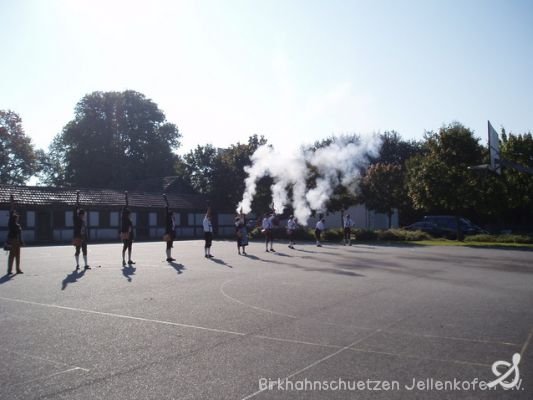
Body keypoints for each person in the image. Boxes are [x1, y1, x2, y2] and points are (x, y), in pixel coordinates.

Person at [6, 210, 23, 275]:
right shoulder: (11, 224)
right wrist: (13, 212)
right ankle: (9, 270)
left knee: (18, 255)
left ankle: (18, 269)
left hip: (17, 240)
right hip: (13, 240)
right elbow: (18, 232)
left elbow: (19, 234)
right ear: (14, 218)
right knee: (12, 255)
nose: (17, 218)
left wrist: (21, 241)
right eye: (17, 218)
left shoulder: (17, 225)